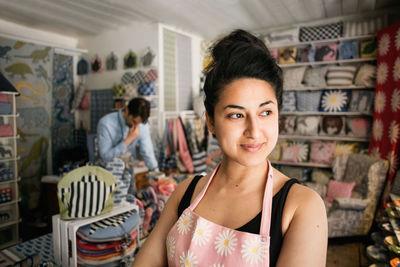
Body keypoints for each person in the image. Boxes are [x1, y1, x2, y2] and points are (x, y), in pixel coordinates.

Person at [133, 29, 327, 266]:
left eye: (265, 112)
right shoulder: (184, 194)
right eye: (236, 114)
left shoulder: (301, 207)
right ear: (211, 121)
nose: (254, 131)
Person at [97, 97, 158, 171]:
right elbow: (105, 157)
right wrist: (128, 140)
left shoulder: (142, 125)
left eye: (139, 124)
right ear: (127, 110)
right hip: (109, 172)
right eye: (134, 122)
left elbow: (148, 152)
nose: (136, 126)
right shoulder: (105, 124)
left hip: (129, 171)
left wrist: (156, 172)